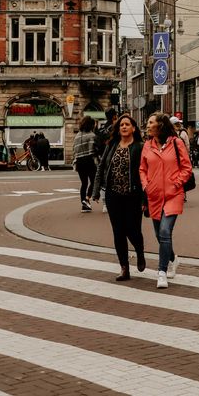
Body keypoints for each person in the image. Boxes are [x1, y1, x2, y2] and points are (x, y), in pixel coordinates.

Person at [140, 112, 193, 289]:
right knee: (159, 235)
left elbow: (186, 167)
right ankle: (172, 258)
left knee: (164, 231)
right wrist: (146, 185)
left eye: (150, 122)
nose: (147, 126)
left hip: (173, 194)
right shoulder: (147, 145)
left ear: (160, 125)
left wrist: (177, 183)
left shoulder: (176, 143)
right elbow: (142, 169)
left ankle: (161, 272)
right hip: (154, 196)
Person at [92, 114, 145, 282]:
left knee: (133, 230)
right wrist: (95, 191)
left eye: (127, 124)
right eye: (121, 124)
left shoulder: (140, 147)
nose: (124, 127)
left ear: (133, 128)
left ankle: (140, 251)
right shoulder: (112, 145)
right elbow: (101, 167)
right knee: (118, 232)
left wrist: (146, 198)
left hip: (133, 195)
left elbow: (146, 172)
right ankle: (124, 268)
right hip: (113, 195)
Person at [73, 116, 99, 212]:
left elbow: (74, 150)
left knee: (84, 183)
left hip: (79, 162)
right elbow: (93, 150)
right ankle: (87, 198)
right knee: (94, 181)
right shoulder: (91, 135)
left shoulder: (77, 136)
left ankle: (84, 204)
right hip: (89, 160)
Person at [95, 107, 119, 212]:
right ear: (114, 116)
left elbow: (97, 143)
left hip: (103, 156)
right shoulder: (115, 128)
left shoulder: (102, 129)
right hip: (114, 155)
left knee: (105, 179)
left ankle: (105, 203)